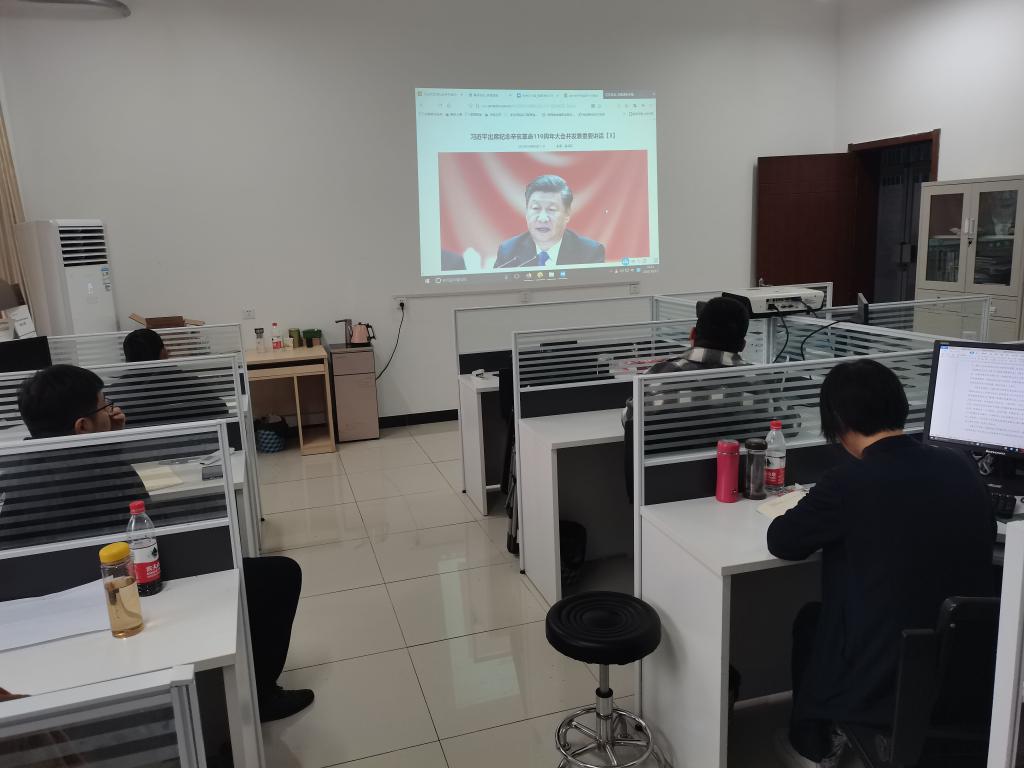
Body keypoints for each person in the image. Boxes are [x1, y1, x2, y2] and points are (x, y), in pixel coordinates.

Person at [11, 365, 314, 722]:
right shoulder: (100, 473)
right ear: (82, 426)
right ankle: (260, 696)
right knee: (280, 574)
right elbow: (150, 532)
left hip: (43, 608)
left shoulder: (17, 472)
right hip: (126, 592)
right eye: (104, 406)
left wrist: (110, 439)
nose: (113, 411)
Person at [766, 359, 995, 768]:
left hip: (880, 675)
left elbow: (782, 541)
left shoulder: (847, 482)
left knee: (812, 621)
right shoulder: (960, 466)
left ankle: (815, 745)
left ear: (837, 421)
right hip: (960, 672)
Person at [114, 328, 230, 428]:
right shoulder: (187, 383)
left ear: (127, 360)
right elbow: (221, 409)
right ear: (163, 353)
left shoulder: (114, 398)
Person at [495, 175, 605, 268]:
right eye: (536, 208)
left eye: (551, 209)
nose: (543, 218)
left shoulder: (589, 253)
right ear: (526, 211)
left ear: (567, 214)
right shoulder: (509, 252)